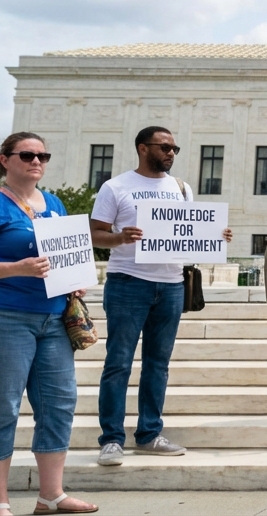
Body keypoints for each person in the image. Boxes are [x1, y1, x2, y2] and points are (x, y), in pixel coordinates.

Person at [91, 126, 233, 467]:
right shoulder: (116, 187)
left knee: (158, 364)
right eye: (164, 147)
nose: (171, 153)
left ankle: (149, 433)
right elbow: (95, 233)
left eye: (174, 148)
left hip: (171, 285)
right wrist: (120, 238)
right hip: (128, 282)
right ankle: (111, 439)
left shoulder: (180, 187)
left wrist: (216, 234)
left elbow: (187, 230)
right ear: (143, 148)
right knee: (118, 363)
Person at [0, 133, 98, 516]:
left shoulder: (54, 203)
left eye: (43, 155)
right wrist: (15, 269)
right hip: (9, 316)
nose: (36, 161)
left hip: (55, 318)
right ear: (5, 160)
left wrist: (76, 277)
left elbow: (69, 252)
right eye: (27, 155)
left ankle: (51, 495)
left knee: (59, 404)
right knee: (4, 407)